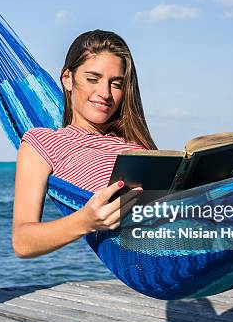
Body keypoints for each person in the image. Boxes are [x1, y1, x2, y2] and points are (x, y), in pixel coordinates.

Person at [12, 30, 157, 258]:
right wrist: (85, 221)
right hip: (160, 250)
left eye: (116, 84)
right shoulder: (44, 142)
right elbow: (22, 242)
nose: (105, 93)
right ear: (67, 79)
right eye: (93, 79)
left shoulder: (136, 144)